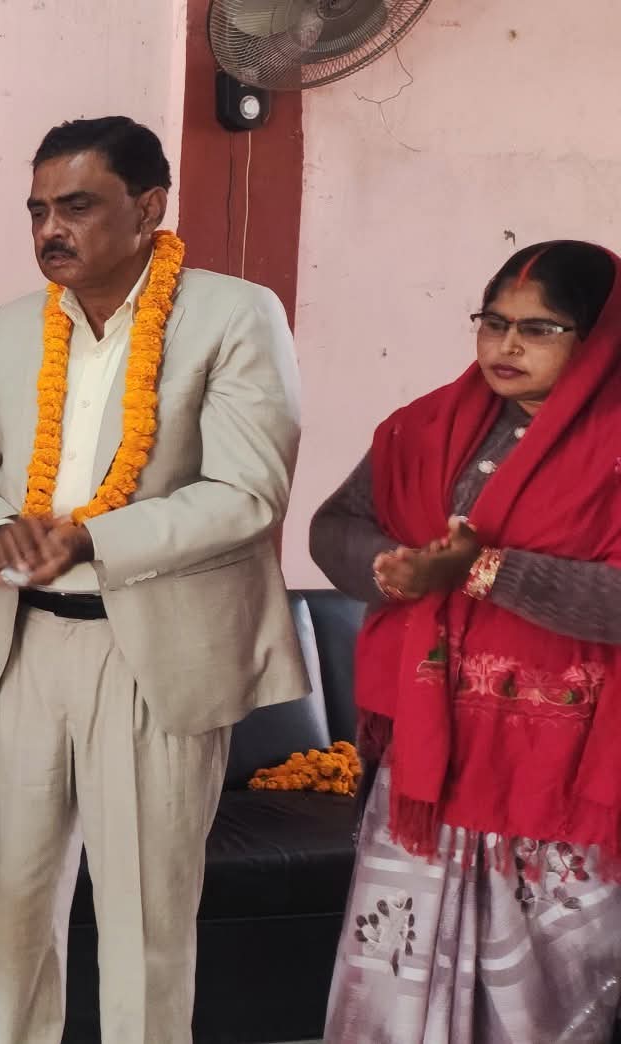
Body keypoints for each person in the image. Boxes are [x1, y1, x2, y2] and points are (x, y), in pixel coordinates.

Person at [0, 116, 307, 1044]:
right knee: (16, 902)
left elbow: (247, 494)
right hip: (21, 643)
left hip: (152, 651)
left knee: (145, 919)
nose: (49, 230)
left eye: (76, 206)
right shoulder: (15, 326)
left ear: (149, 209)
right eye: (37, 210)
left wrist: (90, 540)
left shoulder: (233, 314)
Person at [311, 240, 621, 1043]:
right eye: (493, 322)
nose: (506, 345)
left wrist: (483, 570)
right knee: (399, 976)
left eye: (539, 328)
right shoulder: (430, 428)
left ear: (598, 337)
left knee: (547, 1002)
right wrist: (394, 566)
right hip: (430, 758)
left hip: (563, 773)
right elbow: (334, 525)